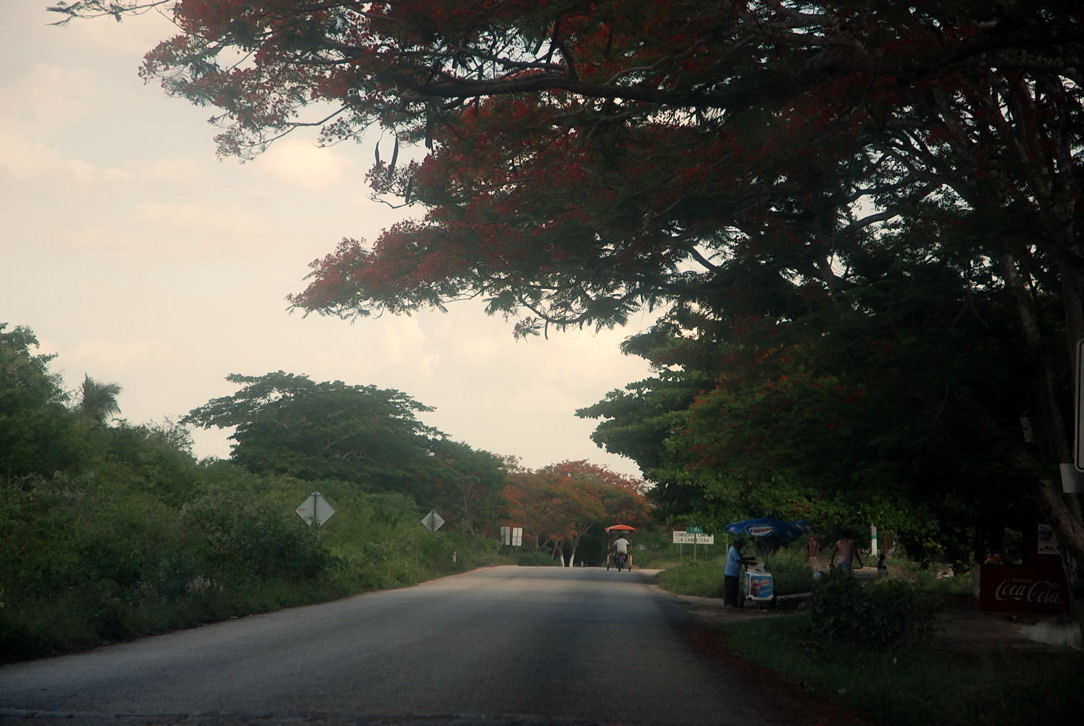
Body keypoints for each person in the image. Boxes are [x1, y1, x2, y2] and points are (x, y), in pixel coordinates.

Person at [724, 539, 755, 607]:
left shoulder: (736, 550)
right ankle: (728, 604)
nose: (741, 547)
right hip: (731, 573)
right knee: (730, 589)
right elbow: (739, 560)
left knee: (735, 589)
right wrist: (750, 563)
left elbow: (742, 558)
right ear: (737, 544)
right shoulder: (733, 550)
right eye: (740, 545)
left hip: (734, 573)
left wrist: (749, 558)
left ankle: (734, 604)